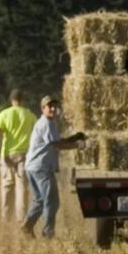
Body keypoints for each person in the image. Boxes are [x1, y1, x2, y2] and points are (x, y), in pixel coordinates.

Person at [21, 95, 85, 239]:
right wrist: (77, 145)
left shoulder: (48, 123)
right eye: (49, 106)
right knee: (52, 201)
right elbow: (56, 145)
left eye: (55, 106)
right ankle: (48, 233)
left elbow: (57, 140)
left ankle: (27, 225)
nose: (53, 108)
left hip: (32, 166)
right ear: (42, 109)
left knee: (40, 199)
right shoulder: (46, 123)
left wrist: (73, 138)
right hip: (41, 168)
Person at [0, 89, 37, 221]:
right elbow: (37, 136)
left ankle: (6, 219)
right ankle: (22, 220)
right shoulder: (30, 115)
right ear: (23, 100)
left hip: (7, 155)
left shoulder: (4, 114)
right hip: (24, 155)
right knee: (22, 188)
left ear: (11, 100)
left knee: (7, 186)